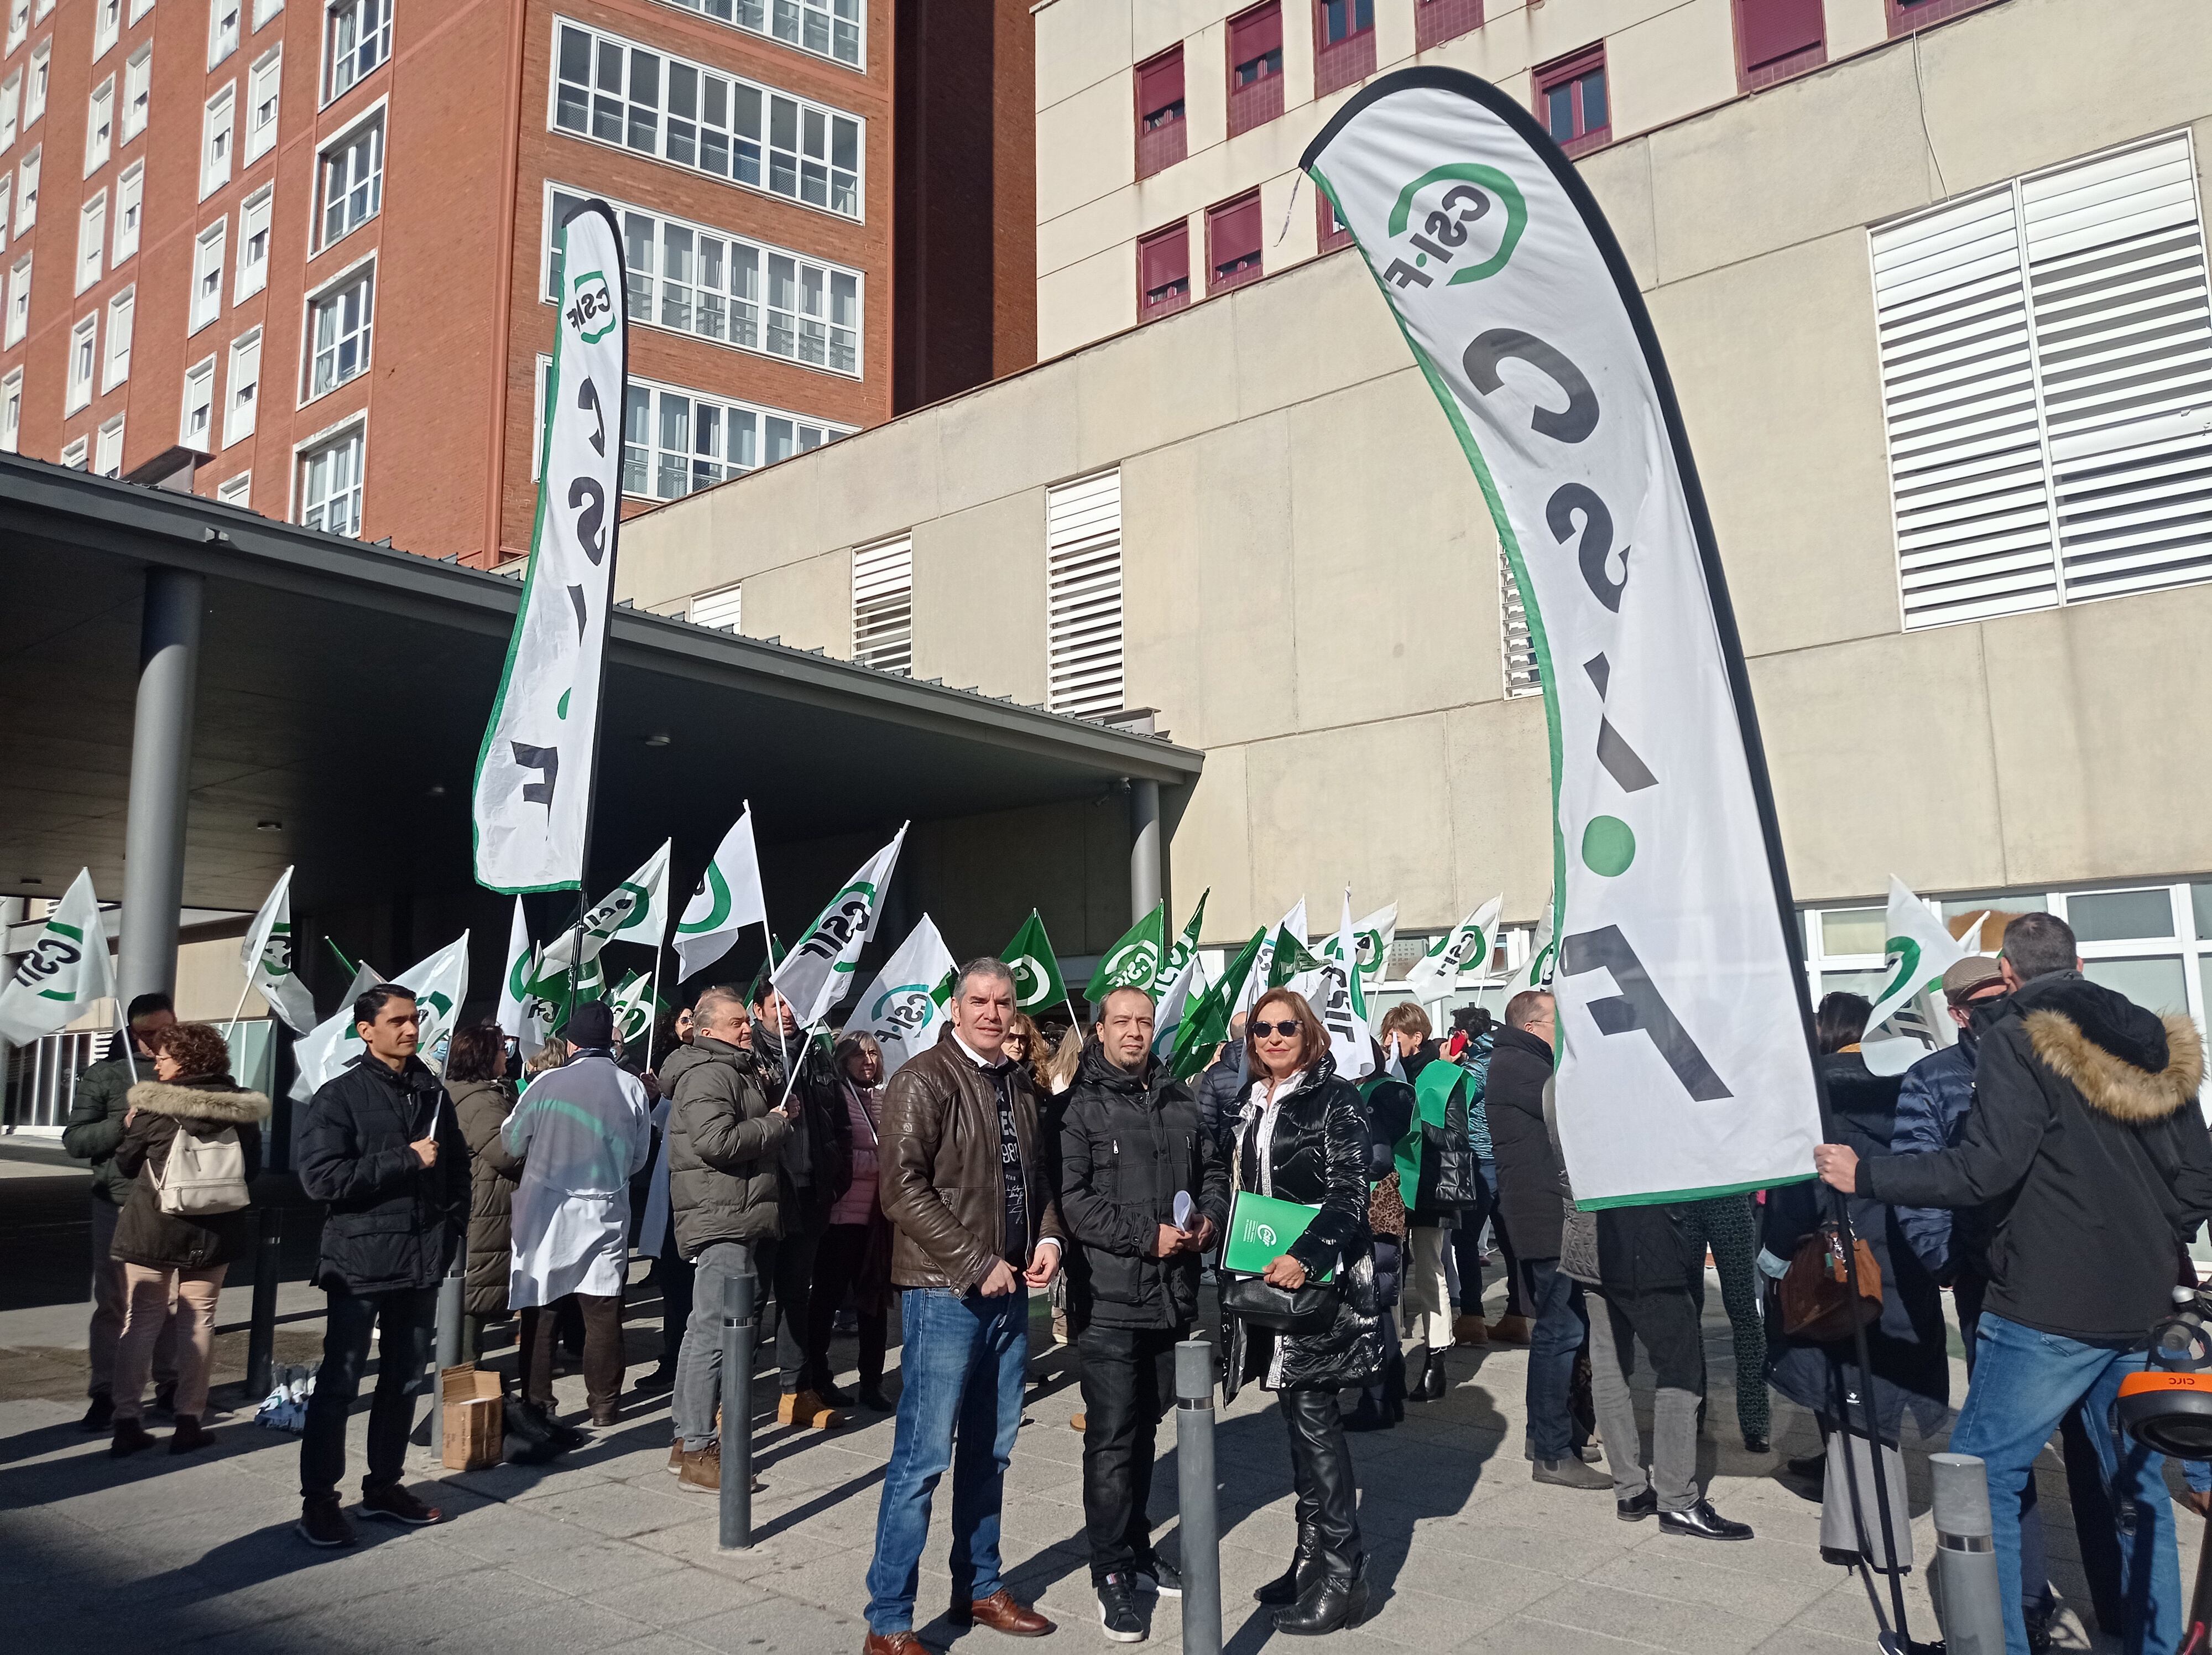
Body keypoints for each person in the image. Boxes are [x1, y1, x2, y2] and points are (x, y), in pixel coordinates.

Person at [1818, 914, 2212, 1655]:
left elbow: (1983, 1169)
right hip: (2143, 1302)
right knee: (2135, 1486)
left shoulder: (2015, 1038)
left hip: (2048, 1306)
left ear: (2010, 970)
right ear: (2083, 963)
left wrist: (1863, 1173)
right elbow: (2199, 1178)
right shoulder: (2159, 1042)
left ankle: (1991, 1645)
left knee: (1978, 1479)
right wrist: (2155, 1241)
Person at [863, 959, 1065, 1654]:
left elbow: (1034, 1176)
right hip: (945, 1291)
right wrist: (975, 1261)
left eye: (1002, 1001)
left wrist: (1046, 1236)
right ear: (955, 1008)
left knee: (992, 1451)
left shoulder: (1017, 1083)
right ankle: (888, 1621)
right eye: (978, 1000)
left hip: (1010, 1293)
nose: (990, 1011)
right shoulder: (924, 1078)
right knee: (921, 1460)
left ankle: (979, 1586)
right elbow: (902, 1190)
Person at [1891, 953, 2076, 1642]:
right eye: (1988, 1000)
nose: (2003, 1008)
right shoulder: (1935, 1078)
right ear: (1962, 1012)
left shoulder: (2074, 1056)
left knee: (2099, 1451)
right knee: (2006, 1454)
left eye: (2009, 994)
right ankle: (2025, 1600)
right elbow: (1922, 1170)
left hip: (2085, 1281)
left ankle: (2114, 1601)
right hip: (1994, 1287)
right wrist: (1949, 1260)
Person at [1058, 985, 1229, 1640]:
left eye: (1144, 1022)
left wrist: (1207, 1220)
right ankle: (1108, 1573)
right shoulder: (1077, 1107)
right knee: (1111, 1439)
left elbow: (1213, 1169)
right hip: (1108, 1301)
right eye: (1122, 1021)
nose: (1134, 1031)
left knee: (1148, 1428)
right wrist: (1146, 1234)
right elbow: (1074, 1202)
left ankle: (1134, 1545)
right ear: (1099, 1029)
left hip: (1173, 1297)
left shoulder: (1179, 1097)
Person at [1772, 993, 1949, 1576]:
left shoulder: (1818, 1105)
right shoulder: (1915, 1092)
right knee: (1869, 1401)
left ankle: (1884, 1541)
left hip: (1842, 1270)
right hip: (1903, 1266)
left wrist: (1771, 1261)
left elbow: (1798, 1197)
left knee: (1852, 1403)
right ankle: (1845, 1530)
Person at [1224, 988, 1382, 1636]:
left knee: (1317, 1426)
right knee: (1296, 1423)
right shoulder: (1252, 1101)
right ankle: (1310, 1557)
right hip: (1267, 1285)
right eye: (1262, 1028)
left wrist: (1307, 1254)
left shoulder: (1335, 1097)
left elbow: (1352, 1193)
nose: (1274, 1036)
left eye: (1286, 1026)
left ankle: (1344, 1575)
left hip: (1315, 1289)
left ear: (1308, 1031)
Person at [294, 983, 469, 1548]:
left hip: (421, 1259)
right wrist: (404, 1159)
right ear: (366, 1030)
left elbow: (457, 1168)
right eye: (397, 1021)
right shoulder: (339, 1095)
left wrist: (454, 1228)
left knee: (403, 1380)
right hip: (360, 1261)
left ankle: (384, 1486)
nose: (411, 1029)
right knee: (340, 1383)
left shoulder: (430, 1090)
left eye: (414, 1019)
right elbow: (323, 1180)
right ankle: (319, 1500)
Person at [1553, 1075, 1752, 1540]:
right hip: (1644, 1242)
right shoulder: (1635, 1081)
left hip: (1588, 1235)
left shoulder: (1562, 1081)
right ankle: (1677, 1499)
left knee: (1609, 1365)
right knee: (1680, 1367)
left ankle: (1630, 1487)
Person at [105, 1020, 269, 1458]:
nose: (156, 1064)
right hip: (215, 1227)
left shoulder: (154, 1109)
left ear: (186, 1062)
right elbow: (250, 1172)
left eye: (163, 1057)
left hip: (153, 1226)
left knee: (141, 1320)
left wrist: (130, 1127)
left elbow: (124, 1164)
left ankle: (126, 1421)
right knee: (200, 1319)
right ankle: (188, 1421)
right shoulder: (243, 1110)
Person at [661, 985, 790, 1492]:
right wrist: (774, 1125)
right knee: (714, 1334)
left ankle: (686, 1439)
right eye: (737, 1022)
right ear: (706, 1029)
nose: (746, 1028)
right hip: (722, 1216)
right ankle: (697, 1447)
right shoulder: (710, 1073)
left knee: (705, 1330)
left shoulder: (726, 1070)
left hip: (729, 1213)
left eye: (745, 1021)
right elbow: (717, 1142)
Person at [503, 1001, 653, 1430]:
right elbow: (639, 1157)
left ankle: (539, 1404)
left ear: (570, 1044)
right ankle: (604, 1406)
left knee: (542, 1307)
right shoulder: (631, 1087)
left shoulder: (547, 1083)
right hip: (605, 1208)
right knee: (602, 1311)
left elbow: (512, 1141)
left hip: (546, 1210)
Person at [1489, 989, 1601, 1486]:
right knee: (1561, 1332)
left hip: (1547, 1215)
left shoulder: (1519, 1059)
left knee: (1563, 1327)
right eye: (1559, 1020)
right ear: (1534, 1026)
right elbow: (1579, 1109)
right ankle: (1553, 1451)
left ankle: (1549, 1435)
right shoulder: (1520, 1064)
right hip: (1546, 1218)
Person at [64, 991, 181, 1430]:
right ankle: (106, 1392)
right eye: (147, 1033)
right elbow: (76, 1141)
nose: (156, 1042)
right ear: (131, 1032)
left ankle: (169, 1384)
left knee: (171, 1302)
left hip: (173, 1201)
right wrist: (122, 1125)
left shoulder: (190, 1073)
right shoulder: (105, 1075)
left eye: (166, 1031)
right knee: (114, 1302)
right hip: (117, 1201)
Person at [754, 985, 853, 1429]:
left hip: (811, 1193)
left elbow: (839, 1118)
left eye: (792, 1004)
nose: (786, 1013)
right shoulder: (748, 1056)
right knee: (749, 1303)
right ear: (758, 1011)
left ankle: (796, 1391)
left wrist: (838, 1174)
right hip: (767, 1197)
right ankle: (727, 1399)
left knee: (797, 1298)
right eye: (776, 1005)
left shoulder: (816, 1053)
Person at [1378, 1003, 1468, 1403]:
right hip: (1390, 1187)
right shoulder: (1379, 1075)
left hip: (1428, 1185)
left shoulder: (1442, 1073)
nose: (1392, 1039)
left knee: (1430, 1271)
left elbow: (1455, 1137)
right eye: (1388, 1032)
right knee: (1388, 1272)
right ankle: (1391, 1356)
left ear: (1418, 1037)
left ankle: (1436, 1360)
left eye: (1399, 1032)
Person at [804, 1032, 894, 1413]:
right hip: (842, 1220)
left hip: (879, 1221)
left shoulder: (889, 1096)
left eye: (873, 1053)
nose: (868, 1060)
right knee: (825, 1301)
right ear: (843, 1059)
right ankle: (818, 1378)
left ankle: (872, 1382)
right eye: (859, 1054)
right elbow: (838, 1157)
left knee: (874, 1305)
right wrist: (881, 1165)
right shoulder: (838, 1097)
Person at [446, 1023, 524, 1367]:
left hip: (478, 1202)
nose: (506, 1056)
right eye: (500, 1050)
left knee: (472, 1288)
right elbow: (507, 1155)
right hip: (485, 1206)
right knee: (474, 1291)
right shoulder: (483, 1103)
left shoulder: (467, 1093)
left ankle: (464, 1367)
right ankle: (465, 1373)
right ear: (483, 1057)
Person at [1347, 1038, 1413, 1433]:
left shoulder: (1372, 1095)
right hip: (1391, 1210)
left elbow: (1378, 1156)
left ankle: (1377, 1401)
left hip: (1373, 1212)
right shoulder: (1397, 1088)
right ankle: (1392, 1393)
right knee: (1382, 1303)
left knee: (1371, 1304)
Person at [1444, 1006, 1504, 1348]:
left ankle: (1472, 1315)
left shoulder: (1475, 1069)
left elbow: (1454, 1105)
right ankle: (1518, 1313)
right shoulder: (1506, 1058)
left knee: (1465, 1241)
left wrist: (1449, 1067)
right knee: (1510, 1242)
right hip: (1506, 1158)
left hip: (1480, 1160)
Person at [1195, 1012, 1248, 1153]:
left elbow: (1206, 1125)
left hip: (1226, 1160)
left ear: (1232, 1036)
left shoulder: (1214, 1074)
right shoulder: (1273, 1067)